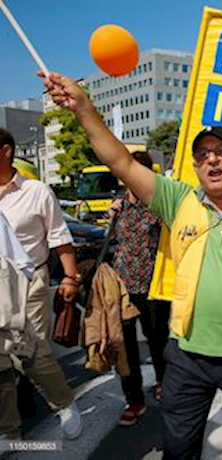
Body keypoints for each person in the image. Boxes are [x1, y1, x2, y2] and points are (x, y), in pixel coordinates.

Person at [42, 72, 222, 460]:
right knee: (179, 451)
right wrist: (83, 107)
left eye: (220, 152)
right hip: (186, 358)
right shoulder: (176, 200)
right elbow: (117, 159)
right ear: (196, 166)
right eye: (202, 156)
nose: (211, 160)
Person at [0, 128, 83, 440]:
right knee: (0, 361)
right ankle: (8, 430)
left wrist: (70, 278)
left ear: (6, 151)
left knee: (30, 351)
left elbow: (60, 236)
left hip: (29, 280)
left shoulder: (36, 191)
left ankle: (64, 403)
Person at [106, 151, 170, 426]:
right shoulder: (118, 206)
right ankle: (133, 399)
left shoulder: (158, 205)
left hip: (154, 286)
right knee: (125, 346)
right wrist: (111, 215)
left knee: (158, 340)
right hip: (122, 288)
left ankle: (163, 382)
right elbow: (113, 244)